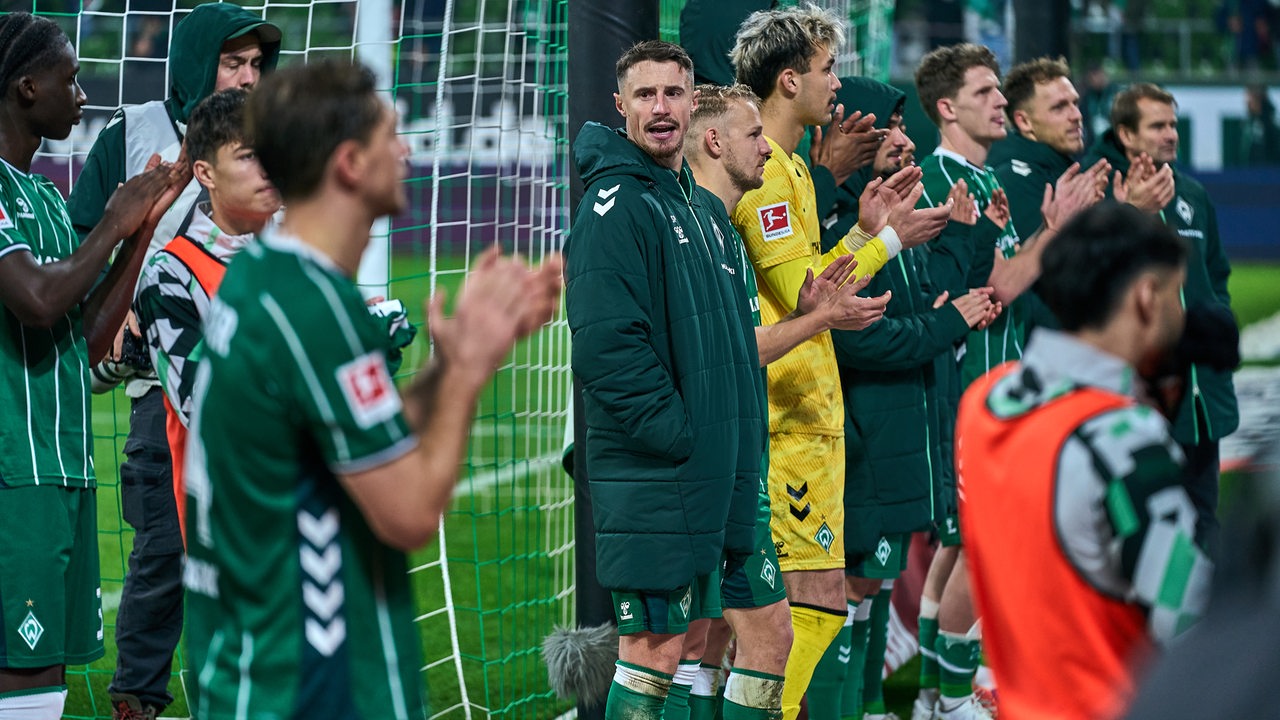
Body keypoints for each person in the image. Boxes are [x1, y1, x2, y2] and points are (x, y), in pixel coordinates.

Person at [181, 59, 562, 719]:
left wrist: (447, 362)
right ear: (351, 164)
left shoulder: (270, 278)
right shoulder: (309, 307)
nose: (407, 151)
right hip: (305, 684)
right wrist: (468, 372)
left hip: (263, 670)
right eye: (392, 136)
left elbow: (367, 437)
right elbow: (410, 512)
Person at [728, 7, 953, 717]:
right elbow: (808, 294)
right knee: (809, 604)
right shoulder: (766, 173)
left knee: (808, 607)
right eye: (827, 69)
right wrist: (885, 242)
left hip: (811, 415)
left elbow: (814, 280)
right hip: (785, 419)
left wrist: (864, 232)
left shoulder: (794, 166)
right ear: (790, 80)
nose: (836, 82)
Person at [66, 5, 282, 717]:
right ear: (194, 63)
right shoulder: (133, 133)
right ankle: (138, 699)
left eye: (257, 65)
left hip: (265, 394)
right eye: (232, 62)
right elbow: (79, 244)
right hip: (161, 392)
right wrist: (116, 312)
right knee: (164, 556)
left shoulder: (277, 141)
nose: (248, 78)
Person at [679, 82, 895, 720]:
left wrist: (868, 237)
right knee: (690, 634)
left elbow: (805, 297)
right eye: (753, 137)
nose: (766, 150)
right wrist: (881, 246)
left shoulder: (730, 220)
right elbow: (775, 320)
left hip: (762, 432)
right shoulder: (701, 228)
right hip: (766, 432)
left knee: (743, 628)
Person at [565, 41, 765, 720]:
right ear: (619, 106)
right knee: (651, 653)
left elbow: (727, 346)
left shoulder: (695, 207)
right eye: (644, 95)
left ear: (691, 102)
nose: (660, 107)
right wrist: (679, 435)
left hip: (704, 473)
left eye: (672, 93)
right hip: (657, 473)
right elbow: (607, 349)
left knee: (694, 645)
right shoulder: (615, 206)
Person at [956, 201, 1213, 720]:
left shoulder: (984, 400)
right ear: (1147, 297)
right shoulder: (1121, 441)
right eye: (1176, 293)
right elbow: (1194, 622)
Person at [909, 42, 1104, 720]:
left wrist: (1044, 233)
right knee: (983, 549)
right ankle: (955, 700)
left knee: (964, 543)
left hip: (992, 382)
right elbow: (998, 286)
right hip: (967, 386)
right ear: (946, 108)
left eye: (999, 90)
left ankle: (934, 694)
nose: (999, 101)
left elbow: (999, 287)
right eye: (985, 92)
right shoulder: (940, 180)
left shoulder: (982, 179)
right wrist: (1056, 231)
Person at [0, 13, 186, 720]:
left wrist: (140, 232)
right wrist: (113, 220)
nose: (82, 96)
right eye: (71, 80)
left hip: (63, 471)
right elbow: (37, 301)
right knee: (19, 676)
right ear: (27, 87)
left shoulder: (46, 198)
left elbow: (84, 335)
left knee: (45, 678)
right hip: (13, 472)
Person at [812, 77, 998, 720]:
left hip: (898, 431)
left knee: (872, 584)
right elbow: (867, 340)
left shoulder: (897, 219)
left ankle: (868, 707)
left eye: (901, 125)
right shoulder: (846, 226)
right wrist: (949, 321)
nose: (903, 139)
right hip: (861, 433)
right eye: (886, 127)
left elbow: (932, 298)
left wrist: (969, 240)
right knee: (847, 589)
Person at [1083, 82, 1239, 554]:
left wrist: (1217, 323)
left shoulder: (1191, 193)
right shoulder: (1099, 190)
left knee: (1204, 517)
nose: (1171, 134)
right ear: (1126, 134)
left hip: (1199, 394)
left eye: (1173, 124)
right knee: (1143, 524)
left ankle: (1206, 601)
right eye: (1157, 126)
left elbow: (1216, 274)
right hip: (1137, 393)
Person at [132, 88, 280, 542]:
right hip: (230, 532)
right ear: (205, 173)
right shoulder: (170, 274)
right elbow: (206, 407)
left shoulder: (299, 258)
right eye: (249, 156)